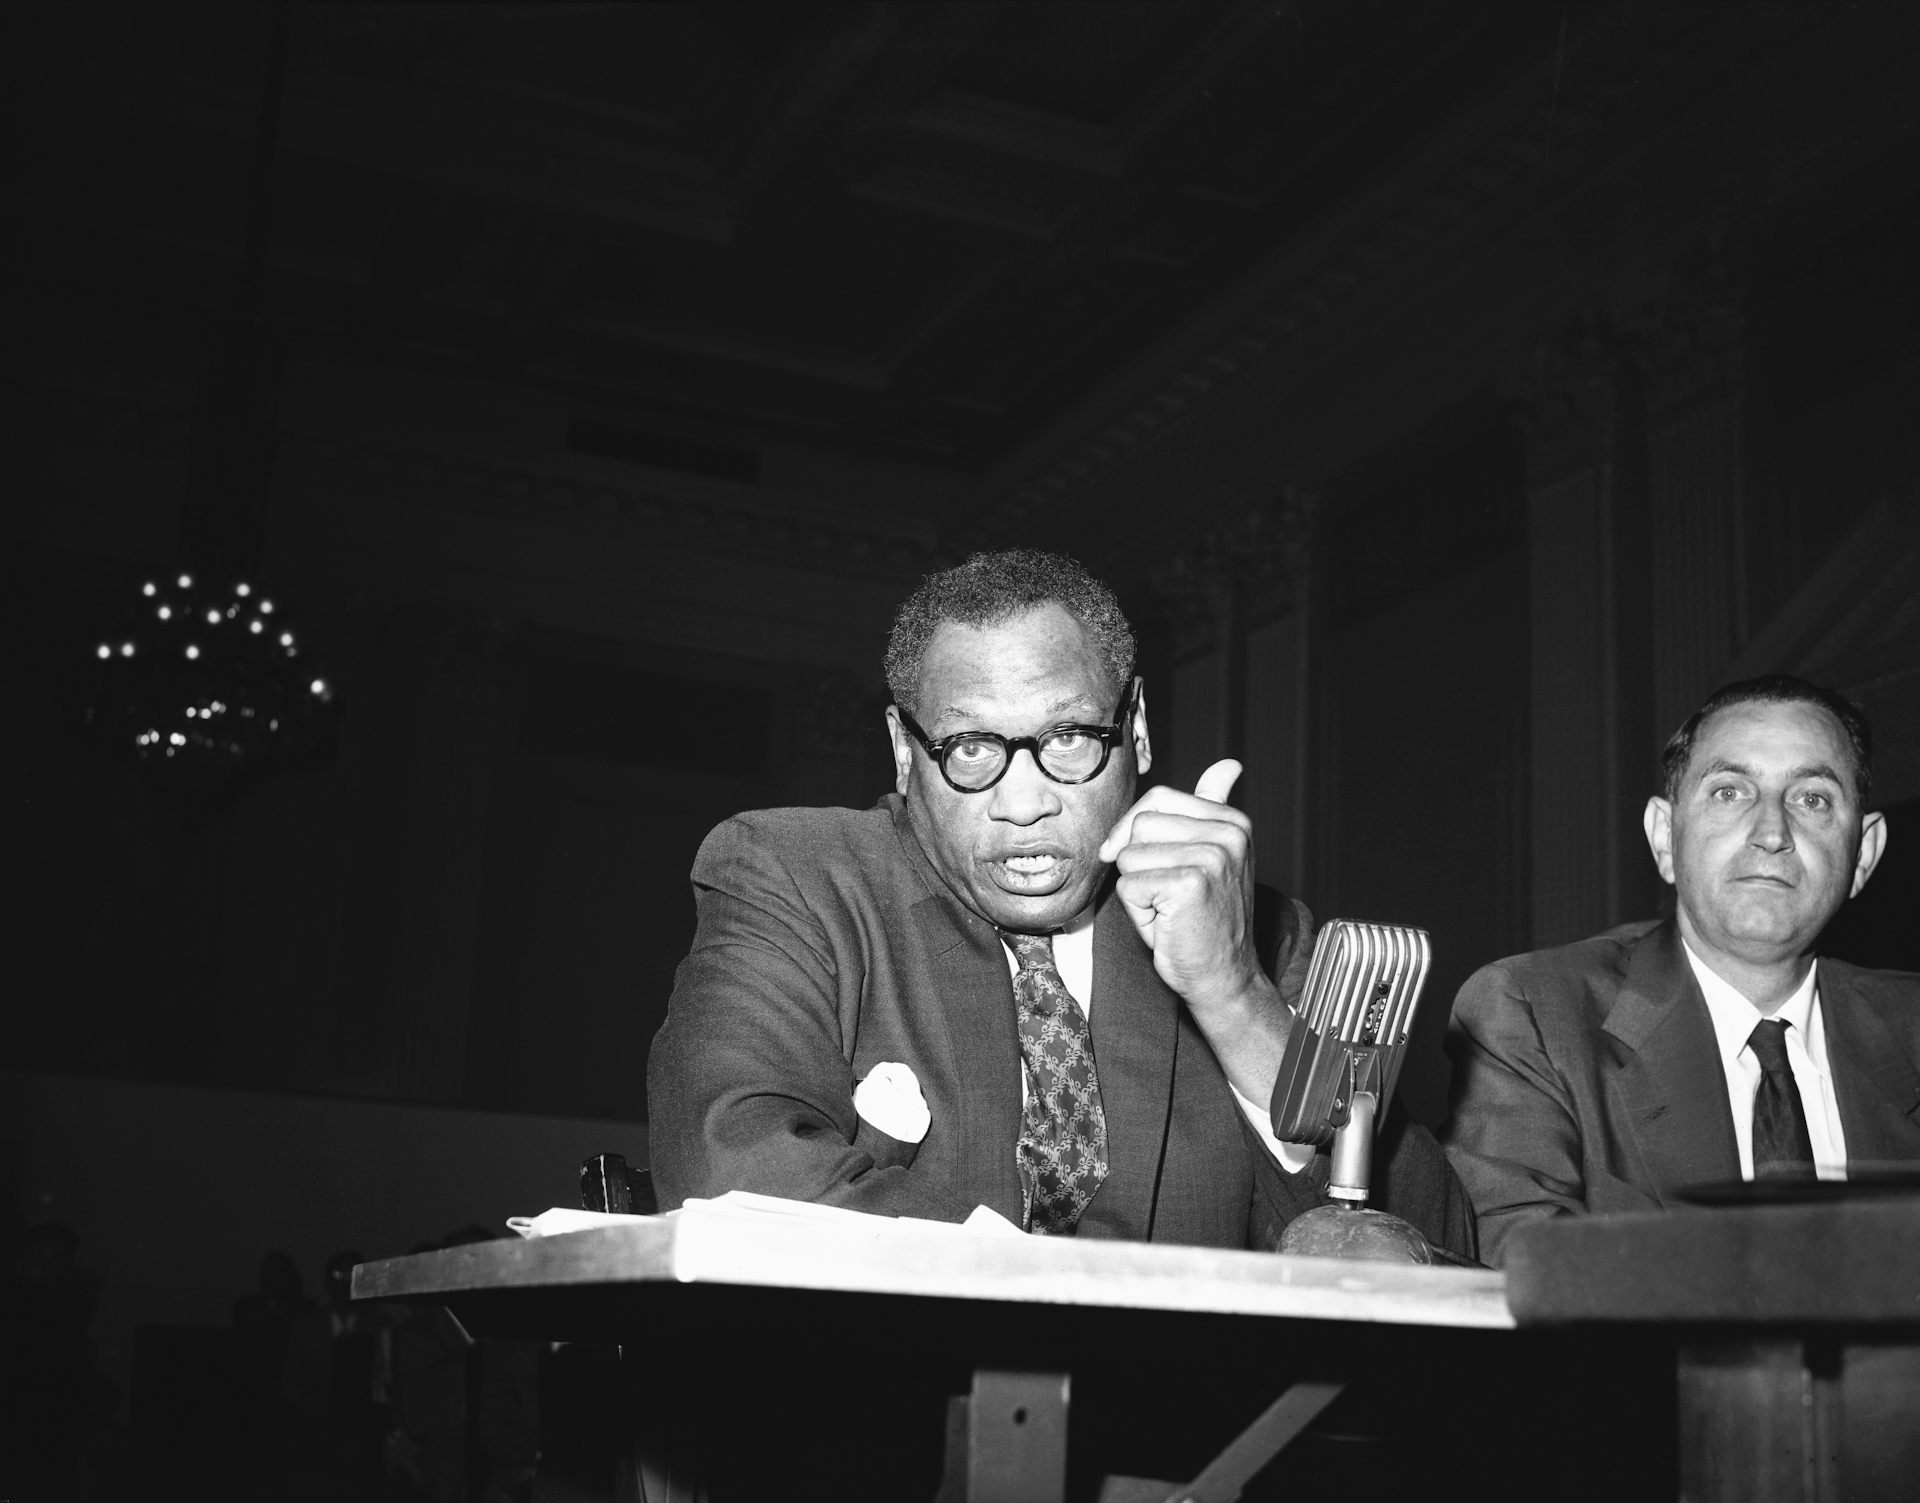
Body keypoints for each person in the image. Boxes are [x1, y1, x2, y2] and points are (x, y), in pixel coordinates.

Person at [647, 548, 1473, 1255]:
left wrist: (1232, 993)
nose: (1025, 800)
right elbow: (732, 1176)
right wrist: (1056, 1300)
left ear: (1137, 728)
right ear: (905, 752)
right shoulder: (791, 876)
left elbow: (1433, 1242)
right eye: (972, 748)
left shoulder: (1251, 928)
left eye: (1068, 739)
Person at [1443, 674, 1920, 1266]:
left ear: (1864, 855)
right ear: (1665, 837)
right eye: (1730, 791)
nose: (1772, 833)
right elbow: (1531, 1276)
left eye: (1812, 799)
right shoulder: (1534, 1015)